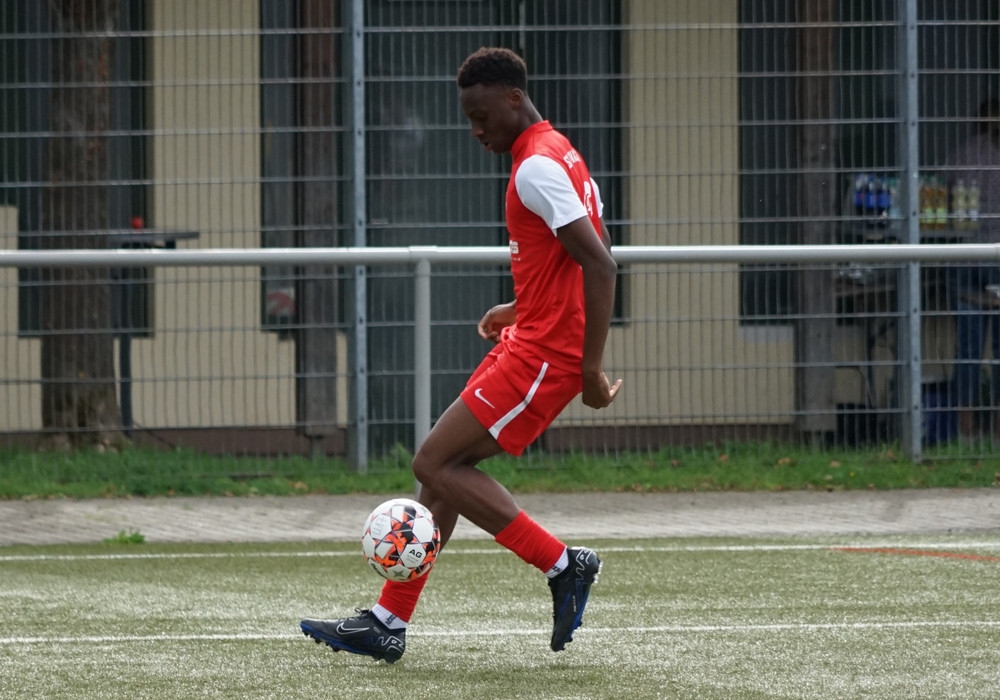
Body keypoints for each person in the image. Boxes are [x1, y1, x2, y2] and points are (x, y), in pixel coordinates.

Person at [300, 47, 622, 663]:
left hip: (546, 357)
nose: (476, 131)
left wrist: (589, 370)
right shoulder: (560, 152)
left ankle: (563, 564)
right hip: (533, 340)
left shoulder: (536, 167)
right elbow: (571, 261)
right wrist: (520, 307)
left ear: (513, 99)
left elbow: (602, 265)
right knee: (443, 469)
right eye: (468, 119)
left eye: (481, 116)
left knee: (432, 461)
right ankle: (387, 622)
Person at [947, 97, 1000, 439]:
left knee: (968, 348)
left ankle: (965, 429)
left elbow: (946, 193)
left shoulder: (964, 153)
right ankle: (996, 430)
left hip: (965, 254)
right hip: (996, 255)